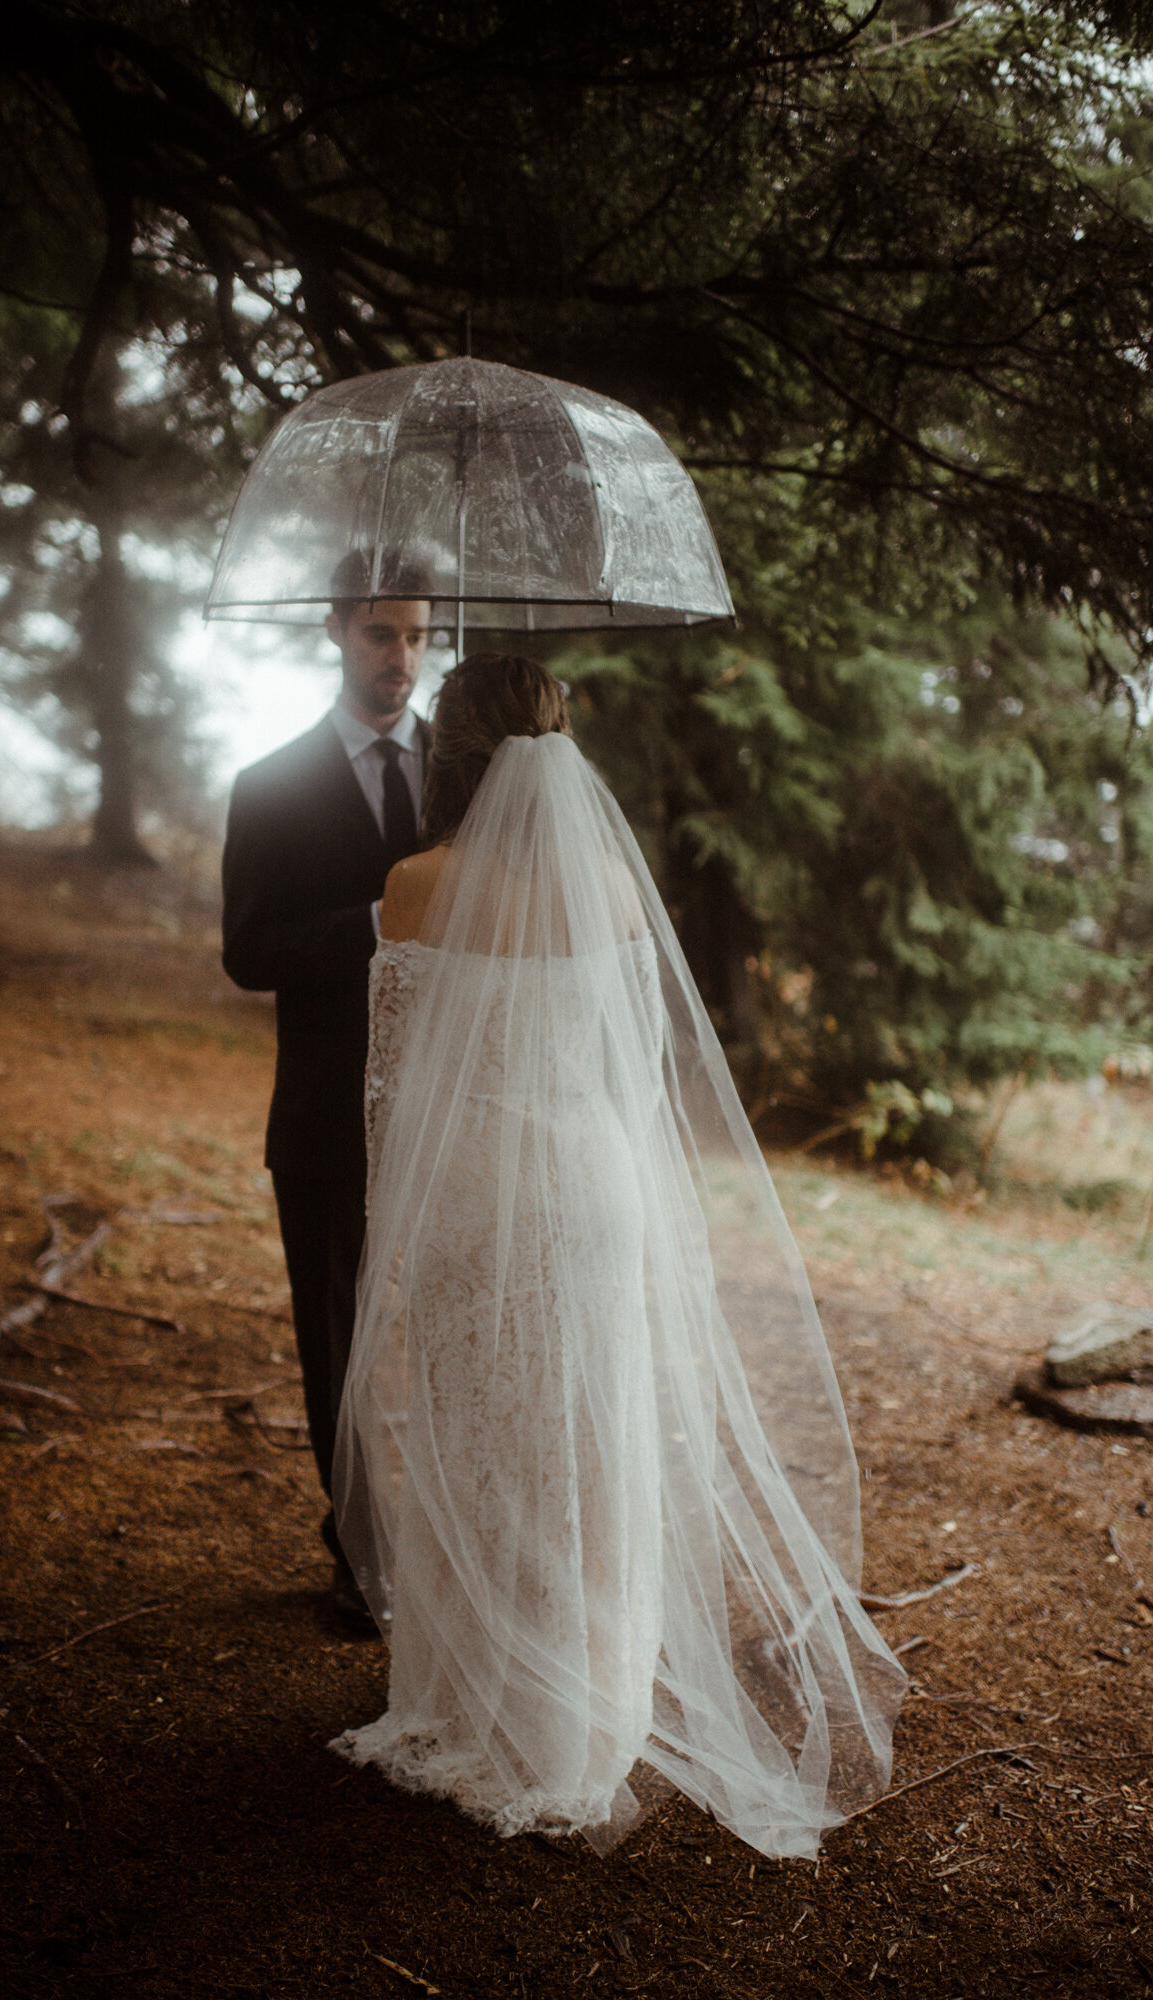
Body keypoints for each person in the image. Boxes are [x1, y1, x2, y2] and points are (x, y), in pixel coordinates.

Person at [331, 654, 905, 1856]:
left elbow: (394, 1086)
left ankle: (471, 1701)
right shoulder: (611, 884)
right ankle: (579, 1713)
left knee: (476, 1440)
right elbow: (632, 1072)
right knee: (585, 1447)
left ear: (452, 754)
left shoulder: (416, 882)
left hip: (476, 1193)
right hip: (592, 1187)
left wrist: (395, 1224)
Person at [220, 554, 433, 1632]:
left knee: (451, 1327)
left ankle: (452, 1548)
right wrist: (373, 925)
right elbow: (247, 950)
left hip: (449, 1106)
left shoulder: (470, 773)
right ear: (335, 630)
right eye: (379, 634)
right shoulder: (269, 784)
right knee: (338, 1338)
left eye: (416, 636)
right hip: (321, 1113)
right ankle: (358, 1549)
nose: (399, 658)